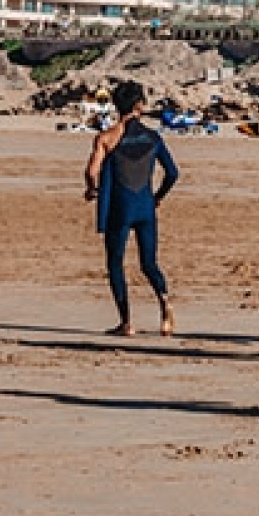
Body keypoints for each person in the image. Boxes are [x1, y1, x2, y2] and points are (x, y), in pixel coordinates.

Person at [83, 81, 179, 337]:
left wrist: (92, 190)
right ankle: (164, 299)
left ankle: (126, 322)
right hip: (146, 206)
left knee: (116, 262)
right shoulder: (153, 137)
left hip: (120, 207)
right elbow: (172, 173)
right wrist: (158, 196)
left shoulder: (106, 138)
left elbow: (92, 172)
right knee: (149, 263)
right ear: (139, 106)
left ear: (116, 106)